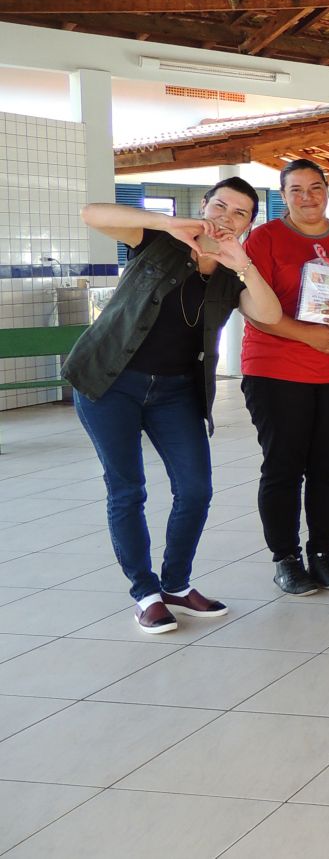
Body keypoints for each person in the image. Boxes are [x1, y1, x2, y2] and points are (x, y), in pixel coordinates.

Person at [67, 181, 282, 633]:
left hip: (176, 392)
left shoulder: (232, 272)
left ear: (249, 224)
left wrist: (244, 266)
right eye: (219, 205)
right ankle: (145, 593)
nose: (226, 216)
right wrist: (166, 222)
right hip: (109, 382)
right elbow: (91, 212)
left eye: (240, 213)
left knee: (196, 489)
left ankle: (177, 585)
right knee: (127, 490)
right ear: (203, 205)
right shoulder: (156, 241)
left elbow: (270, 314)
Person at [238, 160, 329, 595]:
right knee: (284, 467)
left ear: (327, 192)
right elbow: (252, 307)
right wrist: (307, 335)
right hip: (275, 370)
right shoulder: (264, 240)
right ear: (283, 195)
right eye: (296, 189)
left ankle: (323, 554)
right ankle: (285, 558)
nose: (307, 197)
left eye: (315, 187)